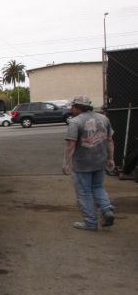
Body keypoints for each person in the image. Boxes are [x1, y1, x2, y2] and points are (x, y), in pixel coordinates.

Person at [62, 95, 115, 230]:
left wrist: (66, 163)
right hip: (100, 161)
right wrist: (110, 158)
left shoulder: (75, 122)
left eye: (72, 106)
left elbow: (71, 145)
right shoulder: (104, 118)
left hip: (82, 164)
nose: (71, 109)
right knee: (98, 187)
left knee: (84, 192)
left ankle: (90, 222)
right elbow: (109, 140)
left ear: (77, 107)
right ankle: (106, 209)